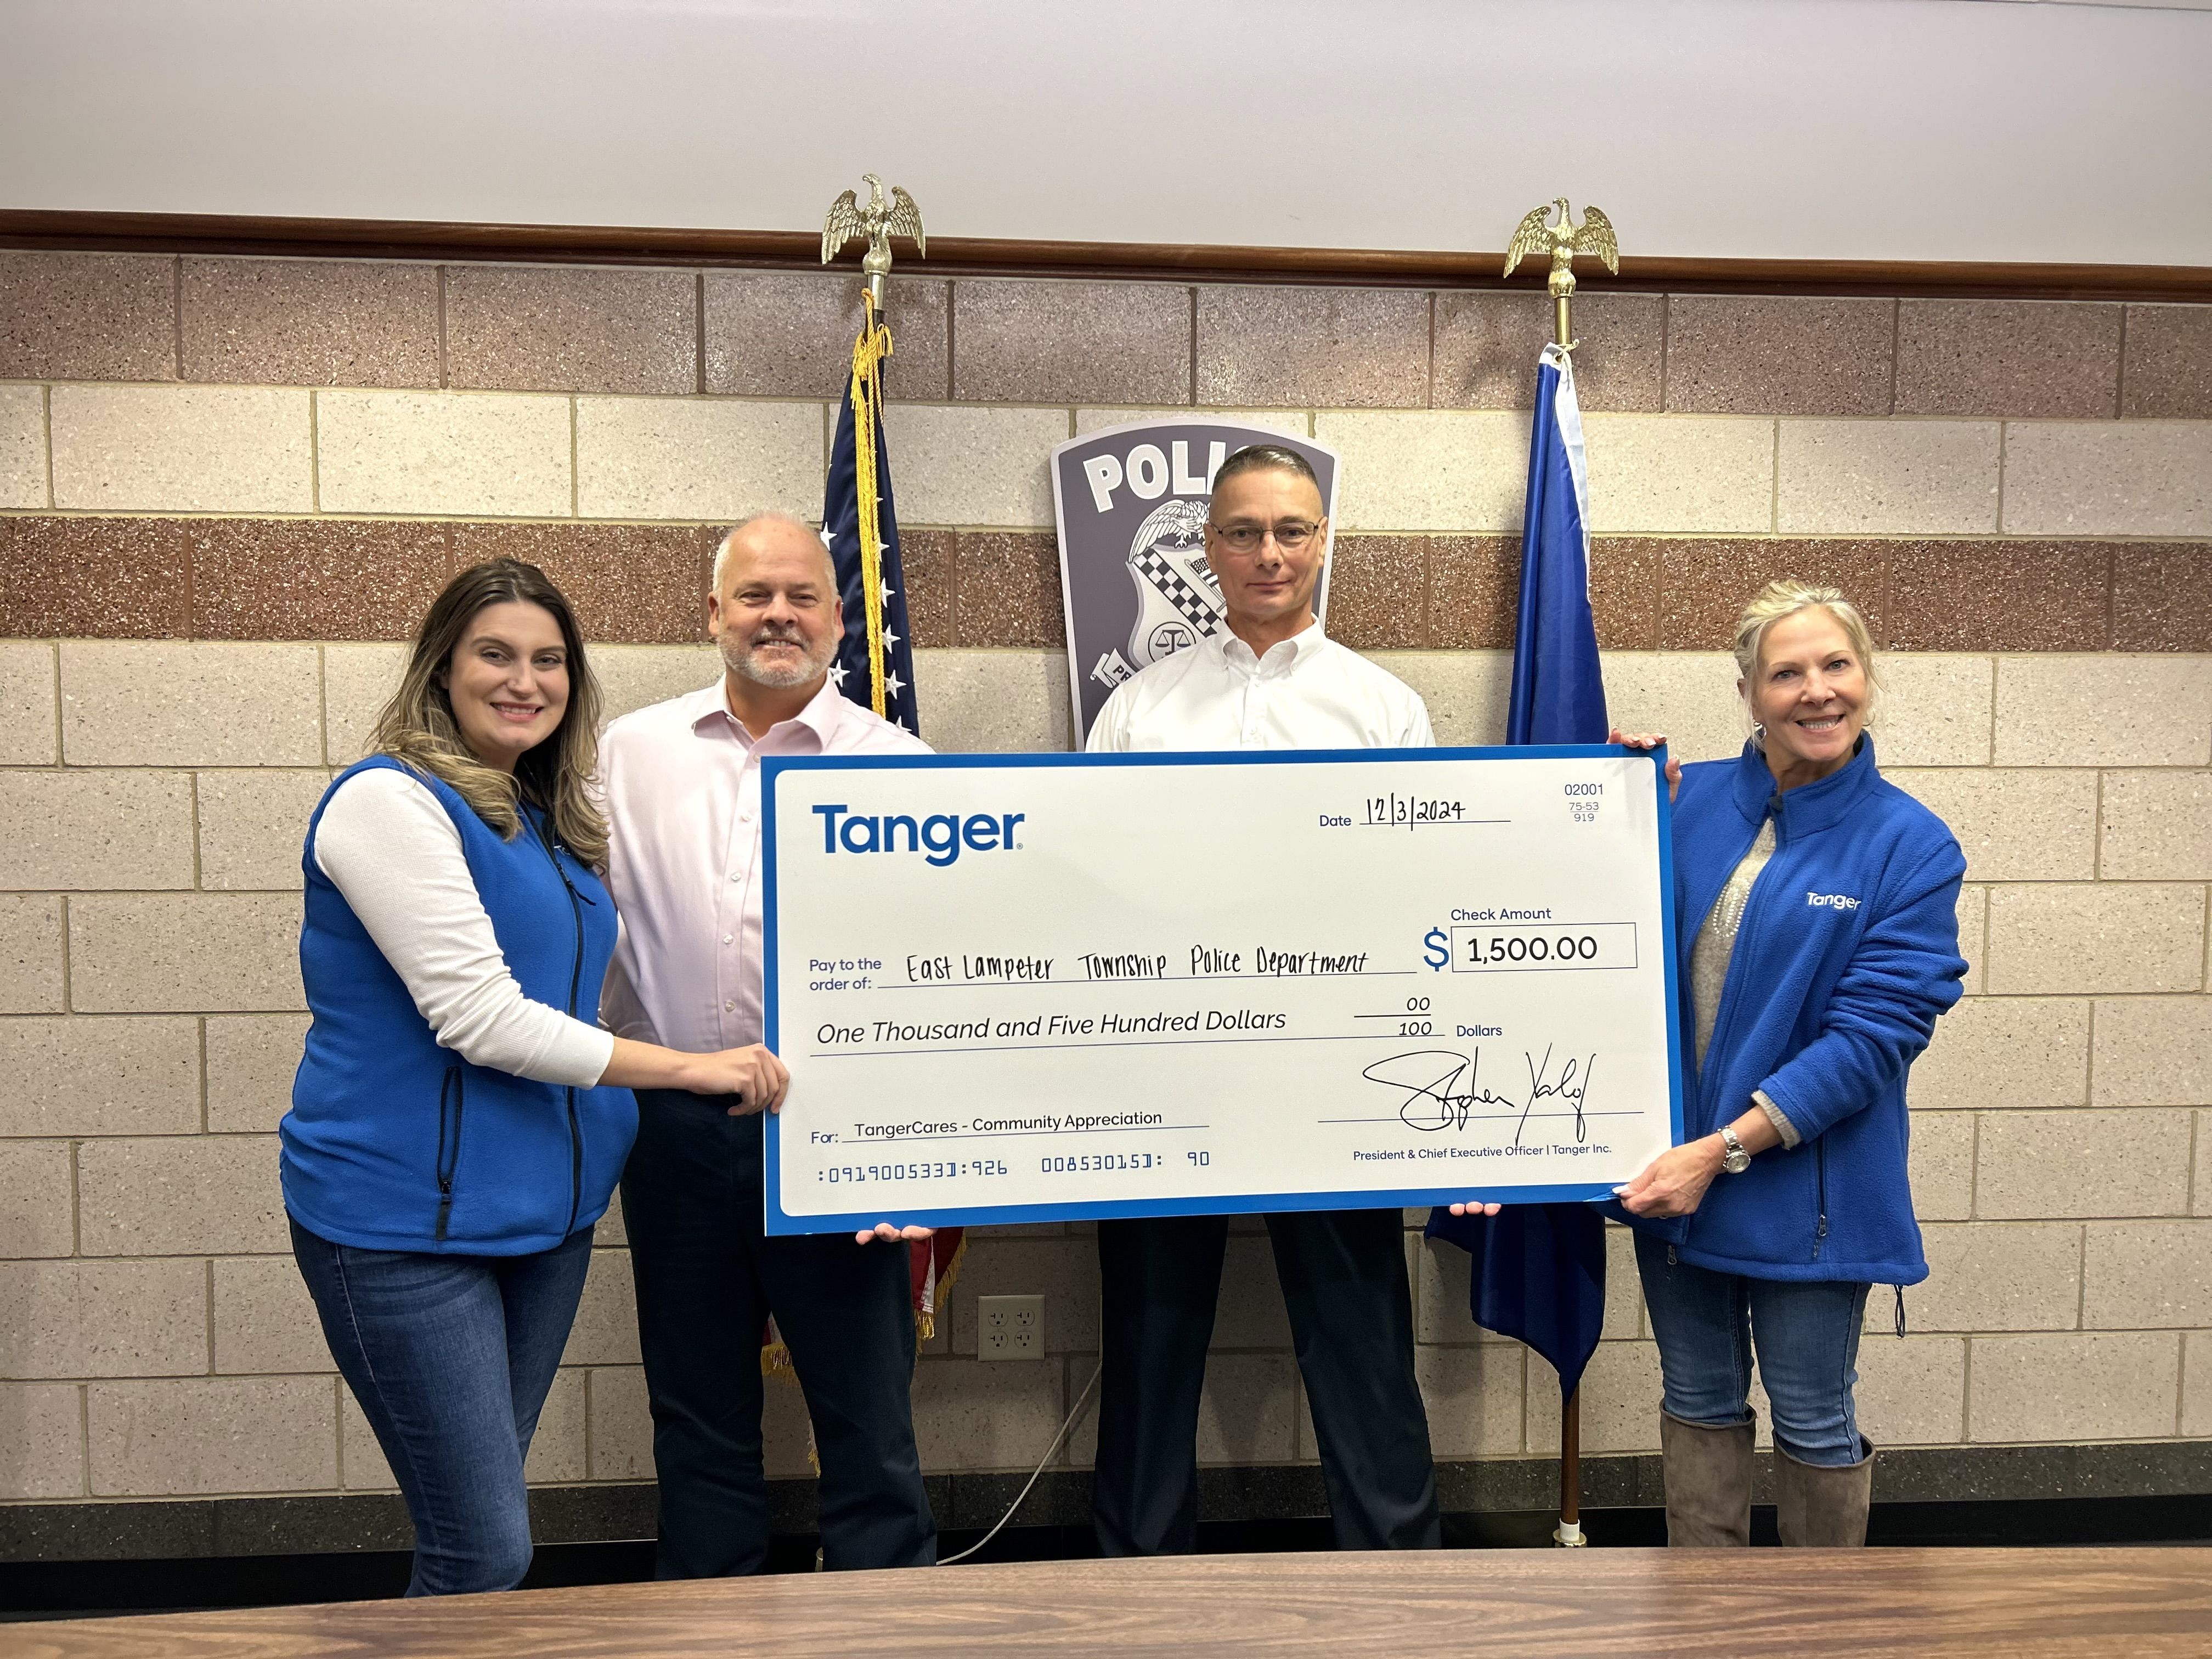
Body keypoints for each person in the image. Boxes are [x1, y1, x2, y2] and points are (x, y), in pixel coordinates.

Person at [283, 558, 792, 1596]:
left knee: (476, 1521)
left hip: (543, 1222)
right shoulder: (388, 802)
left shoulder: (544, 815)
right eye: (496, 655)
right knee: (488, 1547)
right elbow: (484, 1020)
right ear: (442, 666)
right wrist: (691, 1067)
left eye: (549, 661)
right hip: (399, 1228)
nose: (526, 681)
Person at [1527, 579, 1963, 1549]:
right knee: (1699, 1403)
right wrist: (1605, 800)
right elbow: (1583, 937)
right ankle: (1703, 1626)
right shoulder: (1684, 804)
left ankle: (1817, 1636)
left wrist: (1718, 1151)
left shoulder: (1912, 844)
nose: (1817, 692)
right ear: (1748, 693)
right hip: (1672, 1184)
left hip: (1803, 1192)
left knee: (1813, 1418)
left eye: (1836, 666)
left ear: (1868, 678)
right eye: (1787, 673)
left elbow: (1871, 1041)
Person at [1084, 444, 1443, 1555]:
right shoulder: (1140, 712)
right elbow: (1093, 894)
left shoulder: (1383, 710)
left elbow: (1421, 895)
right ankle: (1134, 1584)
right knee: (1148, 1338)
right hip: (1171, 1075)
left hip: (1331, 1079)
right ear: (1209, 548)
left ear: (1324, 540)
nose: (1269, 552)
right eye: (1243, 531)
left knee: (1360, 1337)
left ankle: (1399, 1582)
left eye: (1292, 529)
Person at [597, 513, 938, 1578]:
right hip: (673, 1127)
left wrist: (920, 1155)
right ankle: (709, 1634)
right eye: (754, 596)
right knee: (698, 1425)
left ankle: (888, 1641)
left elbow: (943, 974)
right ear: (714, 614)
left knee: (868, 1427)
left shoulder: (904, 768)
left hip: (835, 1137)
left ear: (840, 619)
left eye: (802, 596)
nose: (778, 614)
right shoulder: (631, 750)